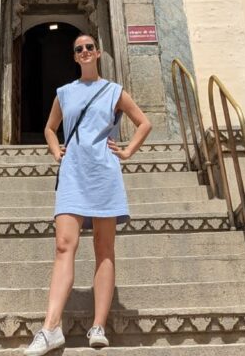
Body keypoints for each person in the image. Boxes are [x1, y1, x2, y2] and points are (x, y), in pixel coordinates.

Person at [25, 33, 152, 354]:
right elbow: (50, 127)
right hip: (73, 174)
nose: (84, 52)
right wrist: (56, 151)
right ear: (75, 56)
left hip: (103, 173)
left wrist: (126, 152)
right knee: (63, 245)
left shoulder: (113, 91)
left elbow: (144, 123)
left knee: (103, 247)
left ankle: (99, 324)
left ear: (99, 52)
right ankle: (50, 327)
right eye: (78, 49)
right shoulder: (65, 93)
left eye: (89, 48)